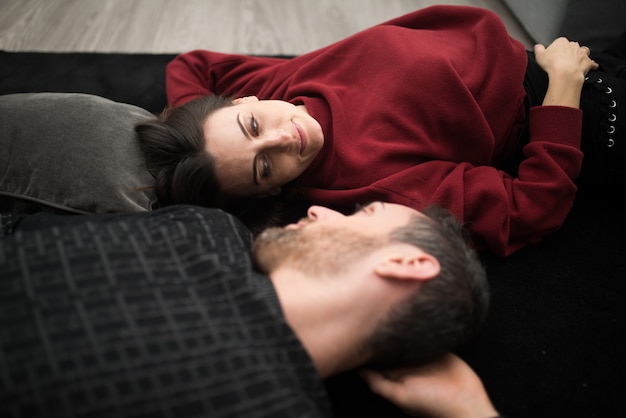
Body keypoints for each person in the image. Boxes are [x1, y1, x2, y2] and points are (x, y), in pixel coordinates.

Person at [135, 5, 626, 256]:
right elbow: (530, 208)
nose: (284, 138)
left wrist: (184, 142)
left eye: (253, 125)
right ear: (276, 189)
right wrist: (564, 84)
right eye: (265, 166)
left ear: (244, 101)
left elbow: (191, 64)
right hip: (571, 102)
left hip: (541, 53)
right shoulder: (371, 188)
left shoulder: (268, 86)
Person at [0, 201, 497, 417]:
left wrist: (471, 412)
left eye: (363, 213)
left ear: (405, 262)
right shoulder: (206, 232)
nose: (318, 209)